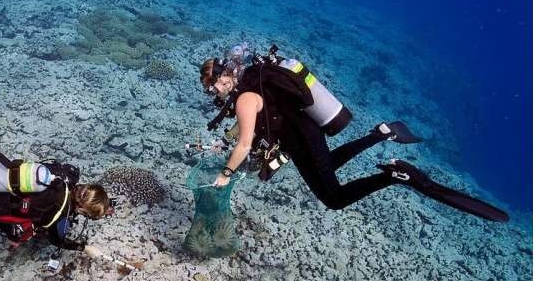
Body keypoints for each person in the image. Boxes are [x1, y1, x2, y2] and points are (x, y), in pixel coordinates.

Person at [197, 44, 509, 222]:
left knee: (334, 198)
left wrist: (225, 173)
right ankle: (380, 134)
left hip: (303, 139)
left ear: (224, 79)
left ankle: (395, 176)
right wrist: (220, 144)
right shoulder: (252, 85)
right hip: (303, 136)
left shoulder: (245, 97)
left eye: (210, 86)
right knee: (328, 165)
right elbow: (251, 122)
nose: (212, 93)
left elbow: (246, 140)